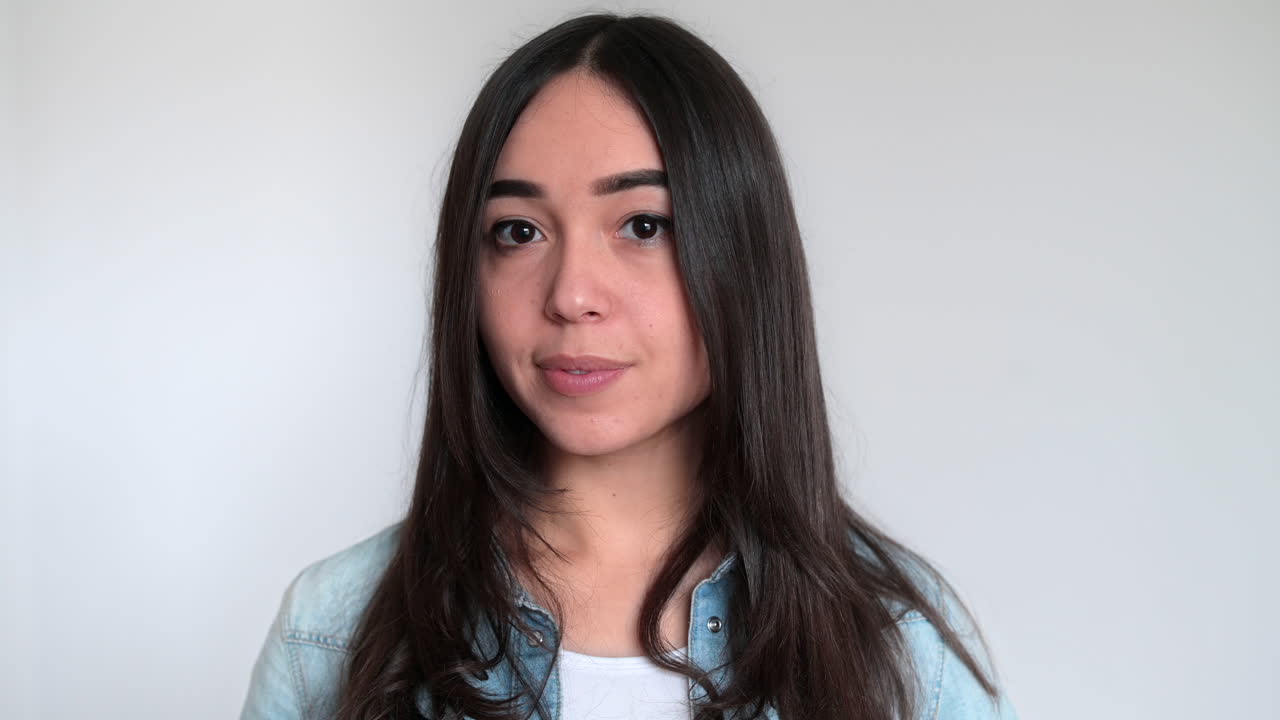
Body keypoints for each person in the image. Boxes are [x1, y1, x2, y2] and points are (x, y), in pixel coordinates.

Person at [240, 13, 1019, 720]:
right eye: (517, 232)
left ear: (742, 257)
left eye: (643, 225)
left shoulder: (899, 647)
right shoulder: (331, 632)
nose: (573, 295)